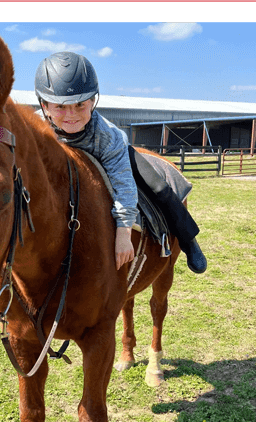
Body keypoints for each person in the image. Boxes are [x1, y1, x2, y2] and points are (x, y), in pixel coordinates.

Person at [34, 52, 207, 274]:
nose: (71, 114)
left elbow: (124, 187)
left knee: (158, 185)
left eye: (80, 105)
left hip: (113, 154)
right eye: (60, 106)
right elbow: (1, 132)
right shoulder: (34, 126)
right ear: (44, 105)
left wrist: (124, 235)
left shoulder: (108, 136)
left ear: (93, 101)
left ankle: (188, 239)